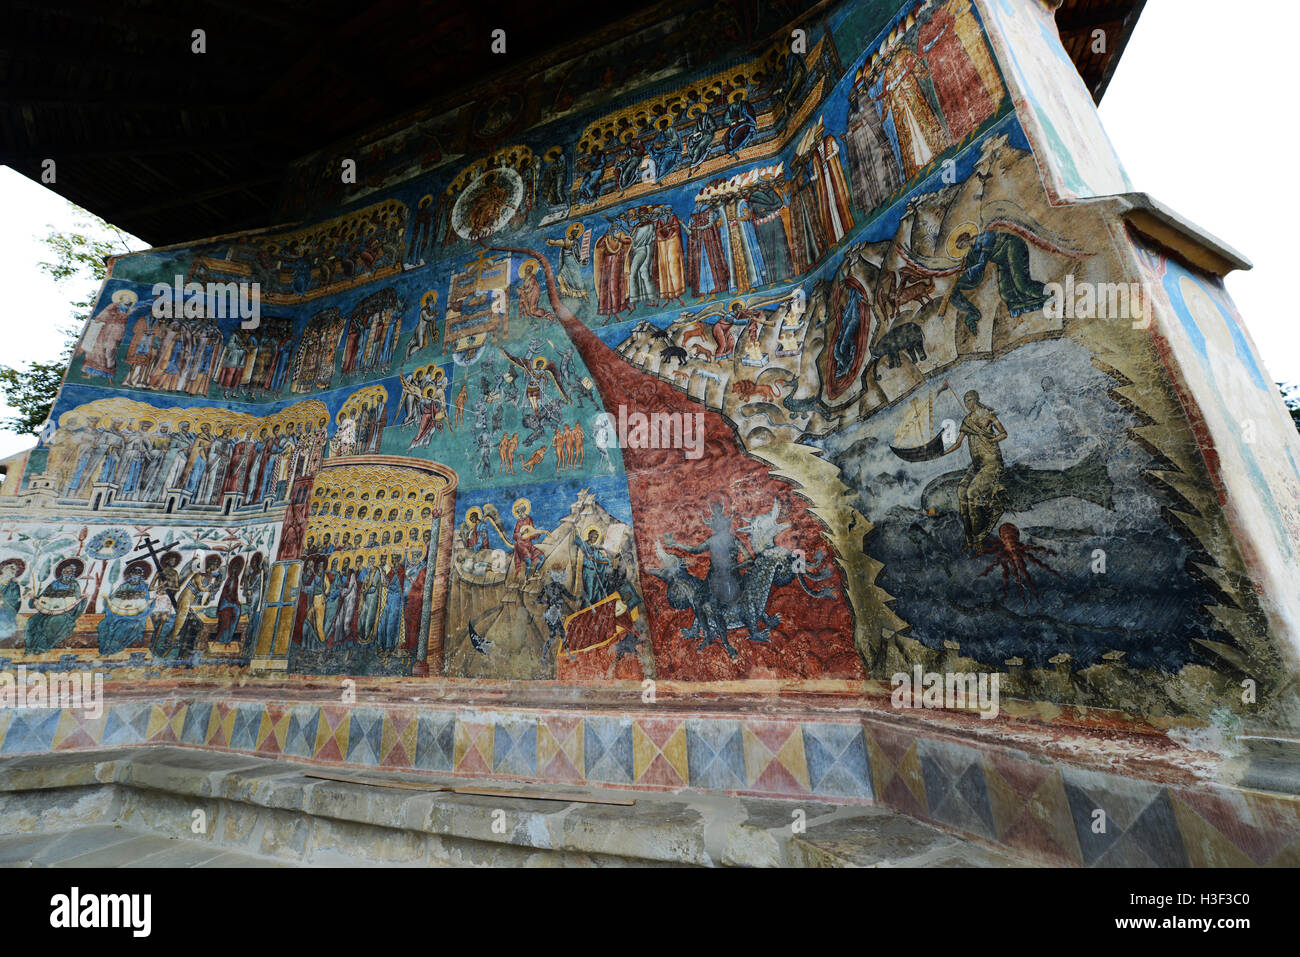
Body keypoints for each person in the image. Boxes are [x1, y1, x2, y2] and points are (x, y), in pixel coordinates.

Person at [944, 390, 1008, 551]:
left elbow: (1004, 433)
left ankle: (980, 536)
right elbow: (958, 443)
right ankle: (970, 540)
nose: (967, 403)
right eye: (965, 401)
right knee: (961, 491)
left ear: (976, 399)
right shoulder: (967, 421)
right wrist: (943, 453)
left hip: (991, 462)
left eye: (969, 400)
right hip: (977, 464)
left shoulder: (988, 415)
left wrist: (991, 439)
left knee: (972, 493)